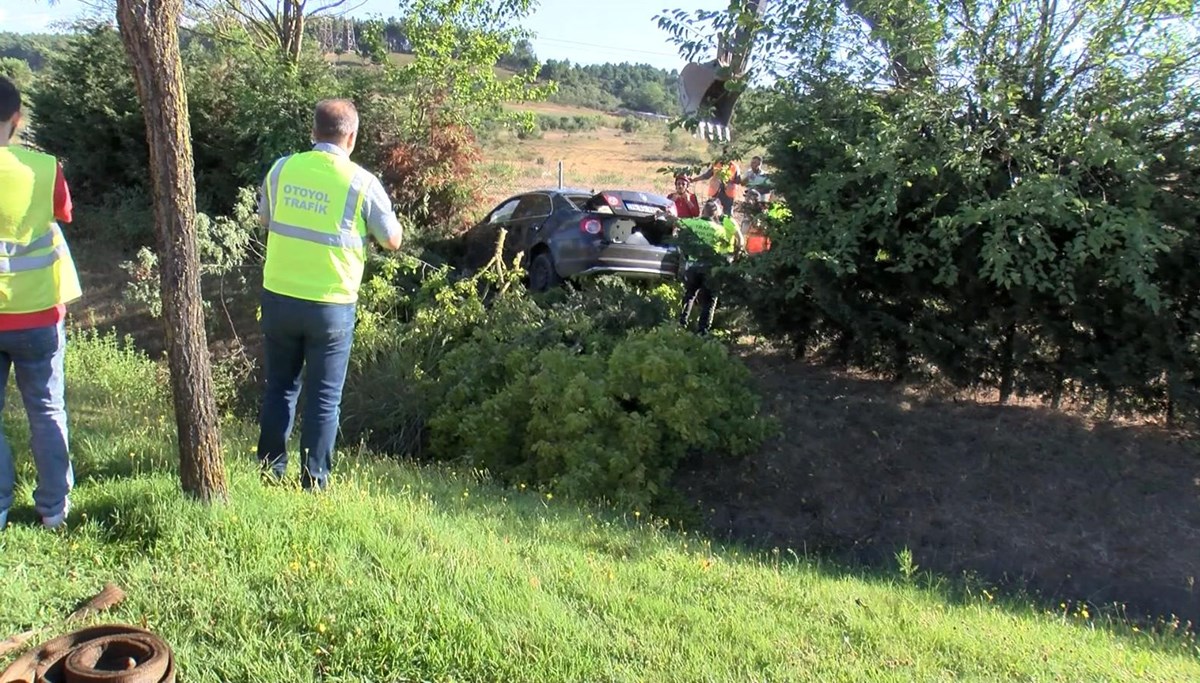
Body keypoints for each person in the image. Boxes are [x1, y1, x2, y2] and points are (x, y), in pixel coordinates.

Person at [255, 98, 403, 491]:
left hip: (279, 295)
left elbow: (265, 219)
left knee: (280, 388)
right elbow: (391, 239)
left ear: (313, 131)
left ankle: (269, 473)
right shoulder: (361, 182)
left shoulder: (282, 169)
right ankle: (314, 481)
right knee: (324, 398)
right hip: (331, 306)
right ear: (351, 137)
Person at [0, 76, 83, 531]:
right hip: (37, 317)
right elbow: (63, 213)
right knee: (48, 409)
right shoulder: (44, 167)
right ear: (17, 119)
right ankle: (54, 509)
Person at [671, 198, 744, 336]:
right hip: (711, 269)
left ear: (703, 211)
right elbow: (727, 246)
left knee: (689, 295)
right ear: (716, 214)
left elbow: (676, 221)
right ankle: (703, 331)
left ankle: (681, 324)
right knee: (710, 300)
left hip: (693, 267)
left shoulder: (692, 223)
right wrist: (735, 256)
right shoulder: (720, 230)